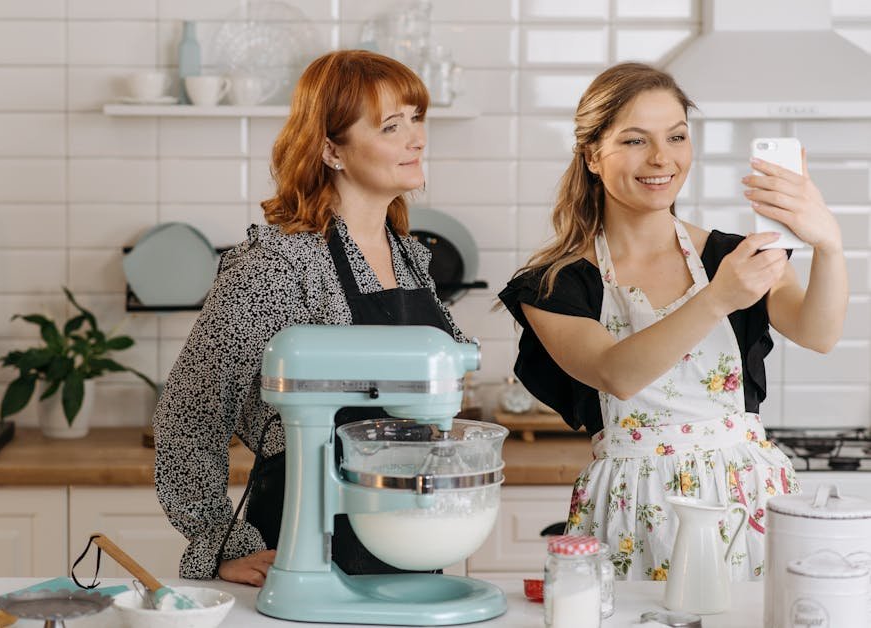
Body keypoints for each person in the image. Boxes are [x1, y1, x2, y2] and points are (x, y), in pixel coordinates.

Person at [498, 62, 847, 581]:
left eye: (676, 136)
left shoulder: (732, 255)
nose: (662, 158)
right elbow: (616, 373)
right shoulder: (554, 285)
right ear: (593, 155)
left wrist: (829, 245)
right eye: (636, 140)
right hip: (631, 507)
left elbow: (818, 334)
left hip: (745, 498)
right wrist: (716, 298)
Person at [154, 50, 466, 586]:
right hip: (304, 547)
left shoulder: (409, 257)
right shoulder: (277, 264)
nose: (416, 138)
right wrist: (218, 542)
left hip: (408, 536)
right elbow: (189, 415)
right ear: (331, 150)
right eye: (393, 126)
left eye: (417, 119)